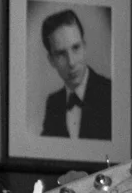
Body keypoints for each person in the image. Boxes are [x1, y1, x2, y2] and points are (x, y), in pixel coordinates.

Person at [38, 8, 112, 140]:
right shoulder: (53, 103)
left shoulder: (111, 93)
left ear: (84, 47)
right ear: (51, 60)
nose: (71, 62)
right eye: (61, 54)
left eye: (76, 48)